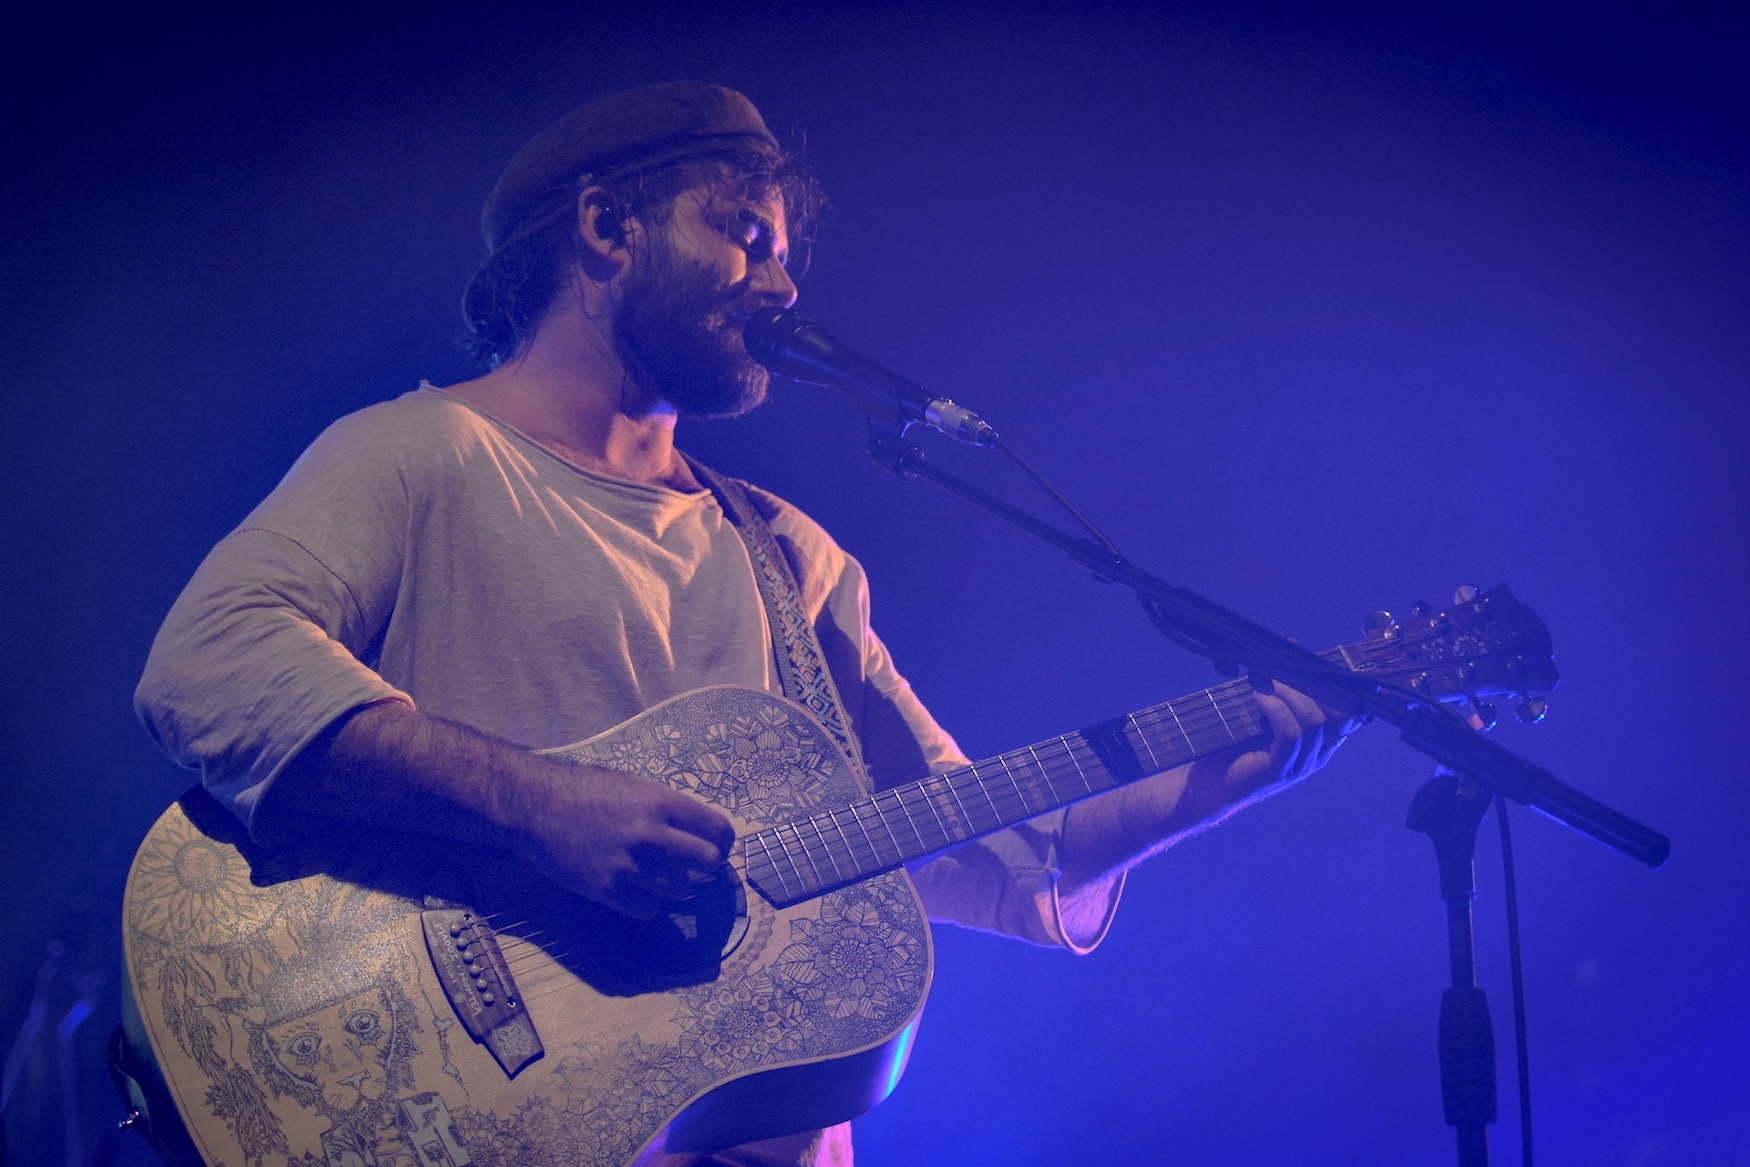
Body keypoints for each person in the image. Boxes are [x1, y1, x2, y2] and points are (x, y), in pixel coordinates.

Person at [135, 82, 1353, 1167]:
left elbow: (993, 847)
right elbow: (210, 664)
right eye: (743, 235)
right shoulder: (423, 457)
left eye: (784, 253)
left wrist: (1237, 765)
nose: (780, 283)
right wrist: (542, 805)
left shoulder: (790, 555)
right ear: (608, 228)